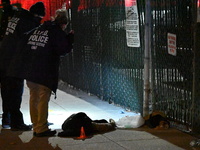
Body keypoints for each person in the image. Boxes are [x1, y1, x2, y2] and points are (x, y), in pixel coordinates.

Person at [7, 9, 74, 137]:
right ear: (63, 24)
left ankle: (36, 124)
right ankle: (41, 127)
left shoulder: (39, 28)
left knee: (34, 97)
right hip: (44, 71)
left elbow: (25, 41)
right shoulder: (56, 32)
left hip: (30, 70)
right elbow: (63, 49)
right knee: (43, 98)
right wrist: (69, 38)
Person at [0, 2, 46, 130]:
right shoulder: (28, 23)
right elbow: (28, 45)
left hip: (4, 58)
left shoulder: (17, 17)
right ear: (36, 15)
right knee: (15, 92)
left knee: (6, 91)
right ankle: (16, 122)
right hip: (13, 62)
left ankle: (6, 119)